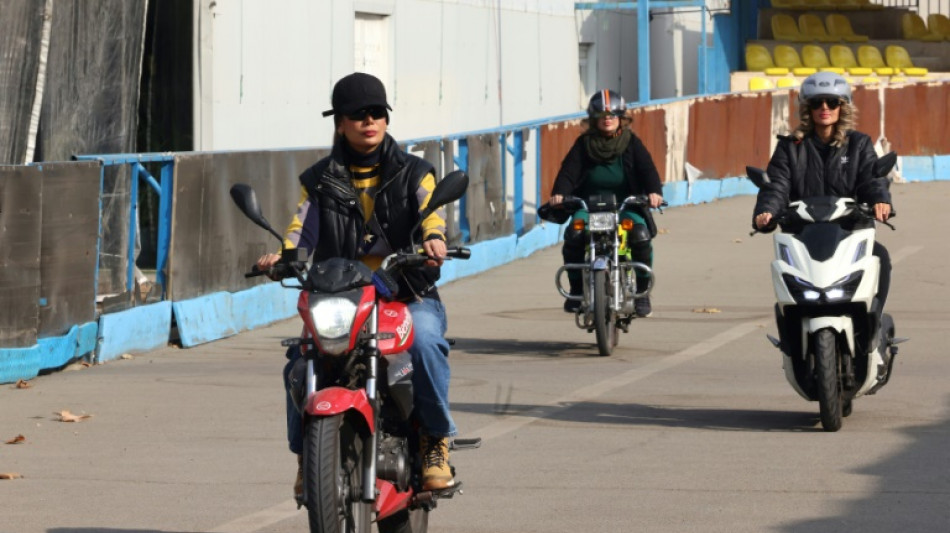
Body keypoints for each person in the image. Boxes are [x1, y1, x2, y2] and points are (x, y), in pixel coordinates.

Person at [255, 72, 458, 498]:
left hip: (405, 290)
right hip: (343, 297)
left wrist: (433, 240)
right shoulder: (318, 180)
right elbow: (300, 229)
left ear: (386, 118)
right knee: (300, 361)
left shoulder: (415, 173)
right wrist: (283, 256)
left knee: (424, 342)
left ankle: (435, 439)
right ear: (339, 123)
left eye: (377, 112)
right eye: (357, 114)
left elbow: (431, 215)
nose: (369, 120)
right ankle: (305, 456)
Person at [752, 72, 892, 306]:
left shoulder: (859, 143)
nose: (824, 107)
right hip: (802, 232)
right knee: (786, 276)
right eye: (817, 102)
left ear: (842, 106)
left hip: (850, 229)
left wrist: (880, 199)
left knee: (881, 257)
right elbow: (777, 185)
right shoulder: (790, 147)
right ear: (808, 108)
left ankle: (874, 320)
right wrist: (766, 211)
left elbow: (871, 177)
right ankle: (790, 331)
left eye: (832, 102)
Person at [549, 89, 664, 316]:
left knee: (640, 235)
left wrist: (653, 192)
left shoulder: (631, 143)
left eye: (612, 115)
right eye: (602, 115)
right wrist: (560, 193)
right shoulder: (584, 144)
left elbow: (647, 169)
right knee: (574, 233)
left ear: (621, 118)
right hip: (588, 207)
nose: (607, 118)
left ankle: (642, 292)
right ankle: (577, 289)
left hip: (625, 206)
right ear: (594, 119)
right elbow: (568, 173)